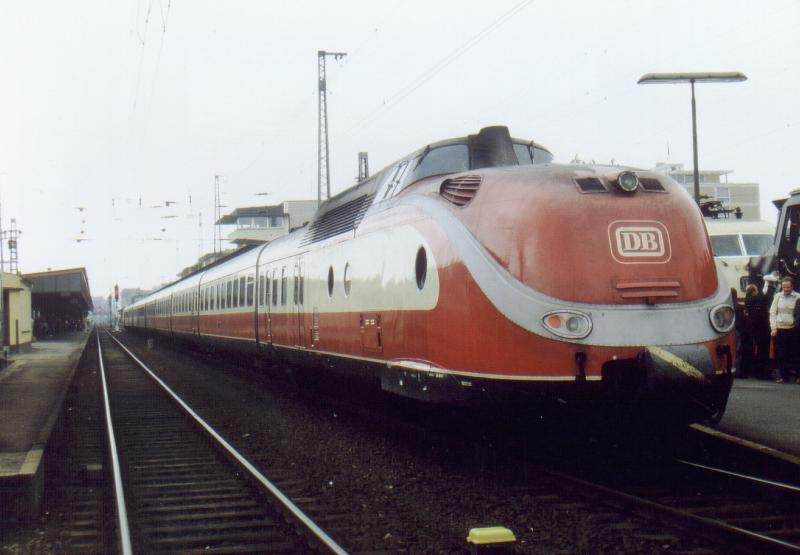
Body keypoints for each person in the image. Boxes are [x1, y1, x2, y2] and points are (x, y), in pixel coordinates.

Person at [769, 277, 800, 383]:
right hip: (780, 329)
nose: (786, 289)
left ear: (792, 286)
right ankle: (783, 376)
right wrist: (773, 328)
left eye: (788, 287)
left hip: (793, 329)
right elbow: (772, 312)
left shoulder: (797, 297)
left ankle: (798, 376)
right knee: (782, 354)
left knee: (796, 353)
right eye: (784, 287)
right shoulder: (777, 296)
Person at [745, 284, 772, 378]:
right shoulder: (758, 300)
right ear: (754, 292)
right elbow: (767, 298)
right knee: (763, 351)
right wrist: (770, 286)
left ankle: (755, 371)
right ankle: (762, 373)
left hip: (753, 329)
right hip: (762, 329)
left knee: (755, 350)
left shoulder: (747, 301)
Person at [733, 288, 753, 378]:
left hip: (728, 332)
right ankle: (738, 371)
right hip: (738, 331)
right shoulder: (740, 307)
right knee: (738, 351)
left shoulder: (727, 306)